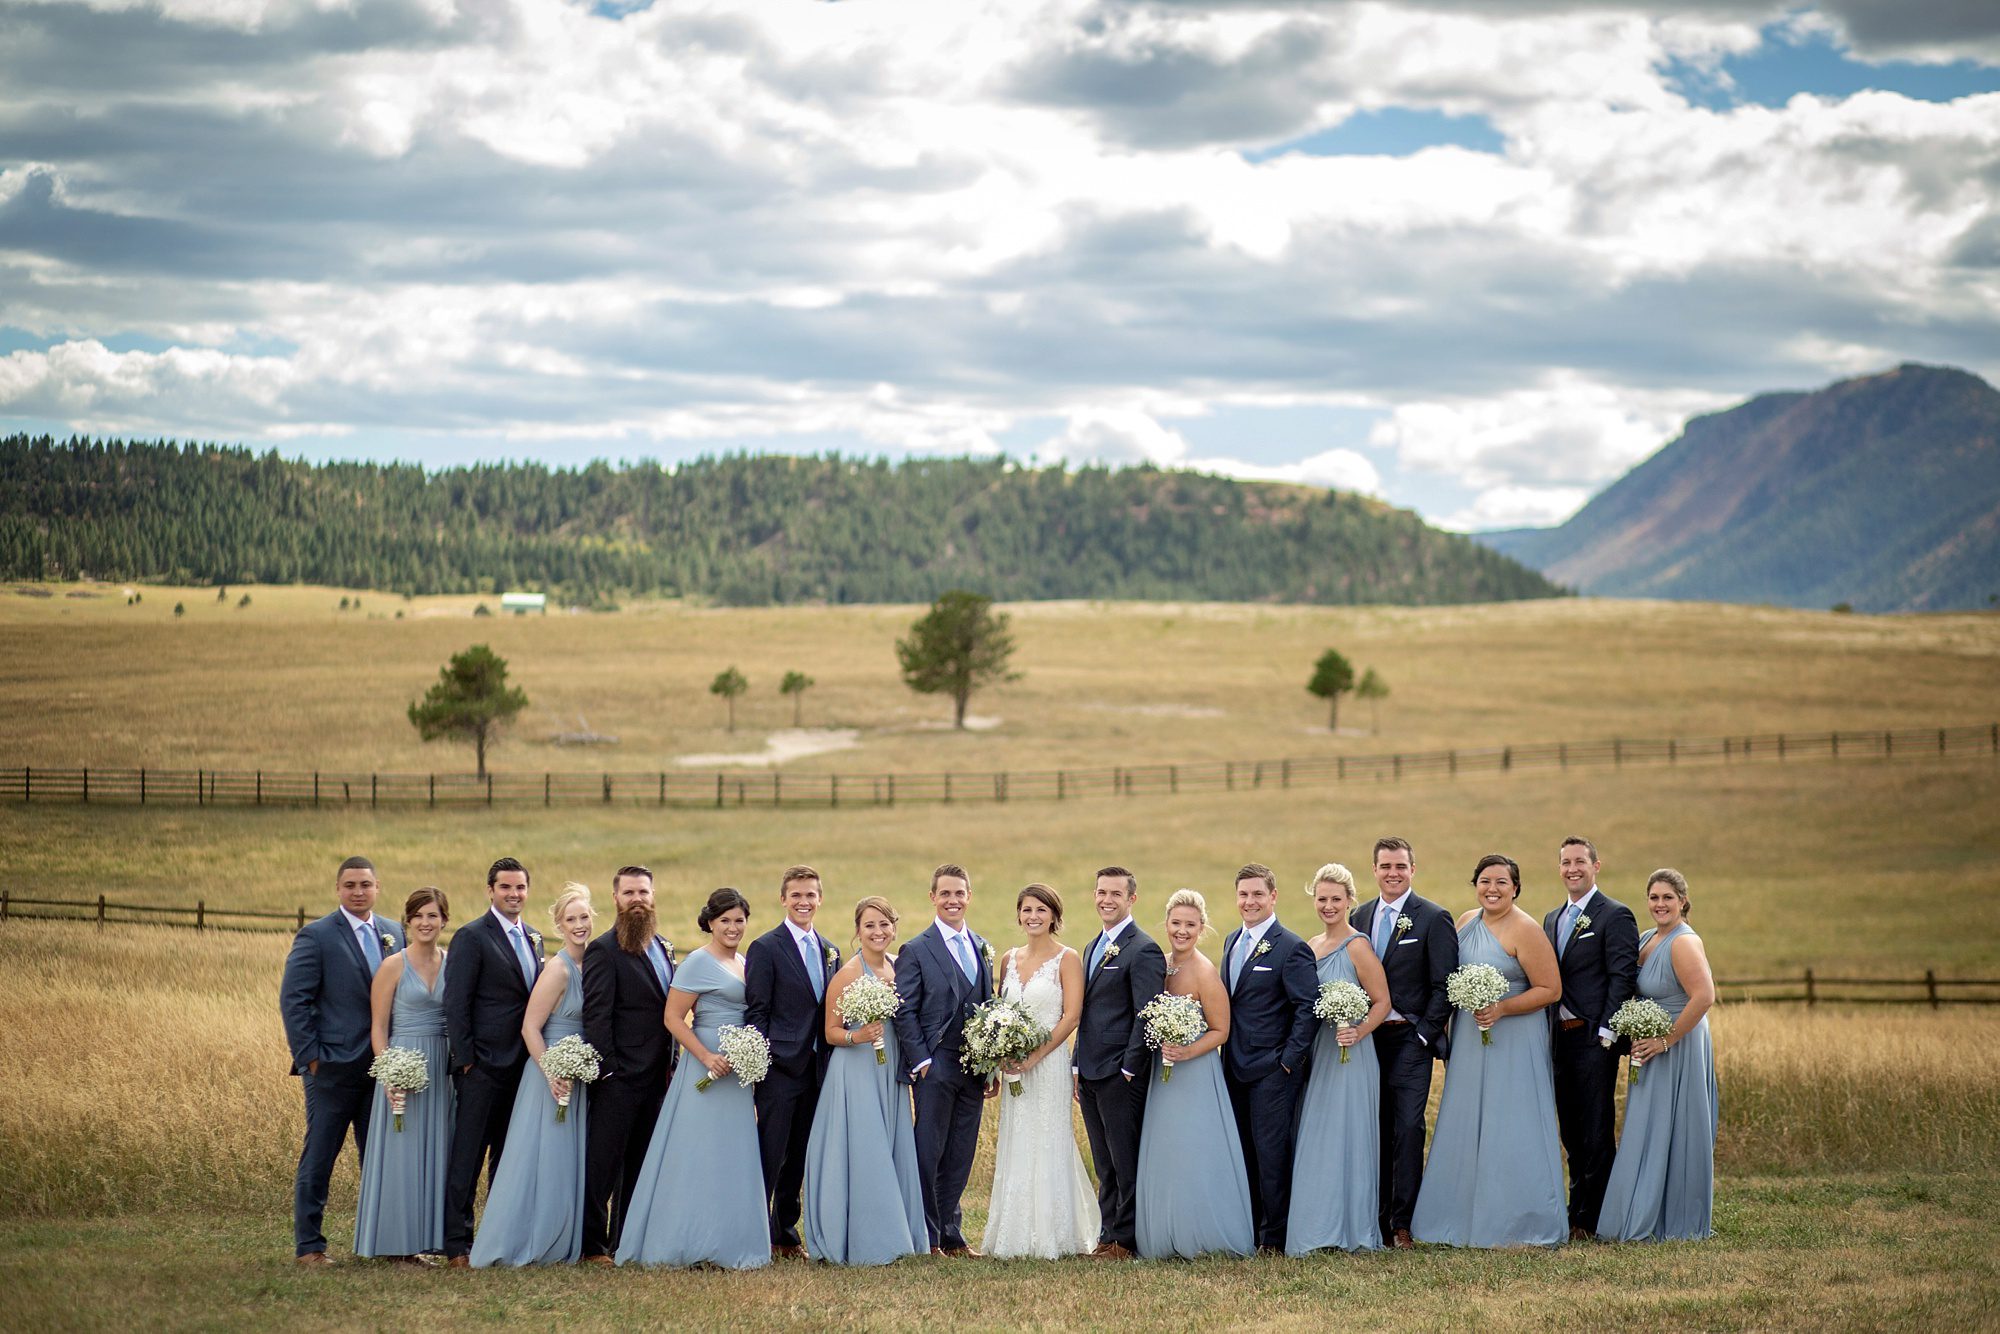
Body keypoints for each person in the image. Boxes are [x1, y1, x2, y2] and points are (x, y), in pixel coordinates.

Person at [1411, 854, 1567, 1248]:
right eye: (1484, 881)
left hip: (1514, 1037)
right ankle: (1458, 1217)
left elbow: (1550, 990)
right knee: (1467, 1118)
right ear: (1475, 885)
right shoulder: (1465, 922)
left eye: (1501, 882)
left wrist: (1502, 1007)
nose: (1492, 889)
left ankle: (1517, 1220)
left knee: (1510, 1120)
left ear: (1516, 887)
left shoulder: (1527, 929)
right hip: (1470, 1037)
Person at [616, 888, 771, 1269]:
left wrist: (747, 1053)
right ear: (710, 923)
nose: (733, 927)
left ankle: (726, 1239)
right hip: (706, 1069)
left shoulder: (745, 962)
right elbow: (671, 1018)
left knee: (729, 1154)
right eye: (725, 921)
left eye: (739, 920)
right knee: (696, 1152)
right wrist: (705, 1056)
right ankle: (683, 1239)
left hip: (737, 1072)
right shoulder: (697, 963)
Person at [279, 855, 405, 1265]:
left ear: (377, 887)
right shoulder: (316, 936)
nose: (358, 892)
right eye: (350, 885)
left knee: (382, 1158)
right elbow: (293, 1001)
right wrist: (311, 1060)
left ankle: (386, 1244)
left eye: (365, 885)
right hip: (331, 1069)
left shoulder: (393, 933)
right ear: (338, 889)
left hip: (381, 1069)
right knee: (319, 1156)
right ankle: (310, 1246)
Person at [471, 884, 596, 1266]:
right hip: (549, 1075)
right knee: (540, 1157)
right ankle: (526, 1239)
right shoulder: (557, 970)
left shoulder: (593, 964)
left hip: (579, 1073)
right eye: (570, 919)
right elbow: (530, 1027)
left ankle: (561, 1237)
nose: (579, 925)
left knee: (567, 1159)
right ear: (558, 926)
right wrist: (552, 1073)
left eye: (584, 917)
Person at [801, 897, 928, 1265]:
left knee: (890, 1144)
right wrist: (858, 1036)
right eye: (870, 925)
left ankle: (898, 1230)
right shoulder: (848, 973)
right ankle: (865, 1237)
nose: (878, 932)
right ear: (858, 931)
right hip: (855, 1070)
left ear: (894, 928)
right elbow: (829, 1032)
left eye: (884, 924)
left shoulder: (896, 967)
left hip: (889, 1069)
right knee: (864, 1147)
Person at [1597, 869, 1718, 1242]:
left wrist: (1665, 1040)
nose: (1660, 905)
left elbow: (1704, 997)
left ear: (1683, 901)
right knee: (1649, 1126)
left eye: (1668, 898)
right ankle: (1641, 1207)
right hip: (1649, 1046)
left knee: (1676, 1127)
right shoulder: (1649, 938)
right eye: (1654, 898)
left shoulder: (1683, 943)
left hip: (1677, 1047)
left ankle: (1674, 1220)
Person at [1348, 836, 1457, 1249]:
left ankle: (1403, 1222)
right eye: (1385, 866)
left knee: (1408, 1127)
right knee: (1373, 1125)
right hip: (1365, 1040)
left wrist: (1424, 1034)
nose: (1392, 873)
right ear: (1374, 870)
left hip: (1411, 1038)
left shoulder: (1432, 917)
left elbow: (1443, 984)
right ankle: (1374, 1219)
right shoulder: (1357, 917)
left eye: (1400, 866)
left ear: (1413, 870)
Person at [1134, 889, 1254, 1260]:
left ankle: (1199, 1233)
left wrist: (1187, 1050)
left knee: (1193, 1149)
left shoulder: (1204, 972)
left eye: (1190, 924)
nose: (1181, 931)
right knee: (1166, 1149)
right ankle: (1162, 1232)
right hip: (1163, 1073)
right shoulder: (1160, 964)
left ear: (1202, 928)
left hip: (1195, 1074)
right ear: (1166, 924)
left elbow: (1221, 1030)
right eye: (1176, 923)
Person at [982, 884, 1100, 1259]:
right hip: (1014, 1067)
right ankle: (1013, 1233)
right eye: (1027, 909)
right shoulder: (1007, 959)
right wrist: (1001, 1059)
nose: (1033, 916)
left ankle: (1055, 1234)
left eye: (1041, 910)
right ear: (1018, 915)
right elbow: (999, 1015)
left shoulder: (1068, 959)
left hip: (1048, 1066)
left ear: (1054, 917)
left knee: (1049, 1139)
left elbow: (1072, 1016)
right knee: (1018, 1138)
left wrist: (1035, 1055)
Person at [890, 863, 996, 1257]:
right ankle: (928, 1236)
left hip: (974, 1068)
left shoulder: (981, 945)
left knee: (961, 1152)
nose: (953, 900)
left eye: (959, 893)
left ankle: (953, 1234)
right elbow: (904, 1010)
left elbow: (986, 1004)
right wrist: (922, 1062)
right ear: (933, 898)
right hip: (935, 1065)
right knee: (929, 1151)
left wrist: (991, 1065)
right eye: (945, 893)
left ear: (969, 896)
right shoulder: (916, 949)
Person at [1286, 864, 1390, 1255]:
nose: (1329, 906)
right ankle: (1316, 1228)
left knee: (1347, 1135)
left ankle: (1351, 1229)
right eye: (1322, 899)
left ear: (1350, 901)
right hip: (1320, 1053)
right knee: (1317, 1135)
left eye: (1336, 899)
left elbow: (1382, 1002)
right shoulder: (1311, 946)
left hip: (1352, 1055)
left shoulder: (1357, 945)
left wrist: (1359, 1031)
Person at [442, 857, 542, 1266]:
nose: (514, 894)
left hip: (522, 1067)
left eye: (520, 888)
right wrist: (467, 1062)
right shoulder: (471, 936)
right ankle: (457, 1243)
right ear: (490, 890)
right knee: (467, 1156)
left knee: (507, 1154)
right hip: (481, 1067)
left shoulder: (534, 937)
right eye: (506, 887)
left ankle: (498, 1237)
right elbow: (456, 1002)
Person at [1219, 862, 1318, 1253]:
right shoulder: (1230, 941)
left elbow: (1307, 1008)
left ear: (1273, 897)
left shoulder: (1291, 947)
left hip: (1273, 1070)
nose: (1250, 901)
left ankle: (1274, 1238)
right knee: (1243, 1149)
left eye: (1258, 894)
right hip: (1234, 1066)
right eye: (1243, 894)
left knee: (1271, 1152)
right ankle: (1252, 1228)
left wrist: (1288, 1062)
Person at [580, 865, 676, 1264]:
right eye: (630, 893)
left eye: (644, 893)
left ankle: (625, 1241)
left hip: (657, 1076)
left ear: (653, 897)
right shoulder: (603, 950)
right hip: (618, 1077)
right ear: (615, 898)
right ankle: (591, 1246)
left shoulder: (664, 946)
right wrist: (609, 1070)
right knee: (603, 1163)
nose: (638, 900)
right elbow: (596, 1016)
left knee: (639, 1162)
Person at [1546, 836, 1640, 1241]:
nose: (1572, 868)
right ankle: (1575, 1212)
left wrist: (1607, 1032)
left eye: (1580, 861)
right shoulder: (1551, 919)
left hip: (1594, 1039)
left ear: (1596, 866)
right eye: (1566, 862)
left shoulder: (1615, 915)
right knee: (1569, 1130)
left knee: (1596, 1131)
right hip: (1558, 1040)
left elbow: (1622, 977)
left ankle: (1593, 1219)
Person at [1072, 864, 1167, 1261]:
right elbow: (1086, 1012)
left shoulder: (1142, 949)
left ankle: (1126, 1240)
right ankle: (1107, 1235)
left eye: (1115, 894)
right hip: (1090, 1071)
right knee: (1104, 1161)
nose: (1106, 900)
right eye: (1101, 892)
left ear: (1131, 899)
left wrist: (1129, 1067)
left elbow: (1146, 1013)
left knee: (1125, 1159)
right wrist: (1076, 1065)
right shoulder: (1092, 946)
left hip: (1120, 1073)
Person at [354, 887, 452, 1262]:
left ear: (444, 920)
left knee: (436, 1149)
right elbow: (378, 1028)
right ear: (408, 921)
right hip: (402, 1063)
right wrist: (388, 1073)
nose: (426, 923)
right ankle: (394, 1243)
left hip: (440, 1065)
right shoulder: (393, 965)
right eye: (419, 916)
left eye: (433, 915)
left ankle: (428, 1240)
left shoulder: (451, 961)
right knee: (401, 1149)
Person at [744, 864, 837, 1258]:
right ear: (783, 899)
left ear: (820, 898)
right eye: (796, 895)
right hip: (780, 1070)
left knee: (798, 1156)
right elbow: (756, 1013)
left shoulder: (829, 948)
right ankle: (751, 1233)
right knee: (768, 1154)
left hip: (818, 1070)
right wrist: (765, 1064)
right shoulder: (766, 947)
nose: (804, 901)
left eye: (810, 894)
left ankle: (784, 1234)